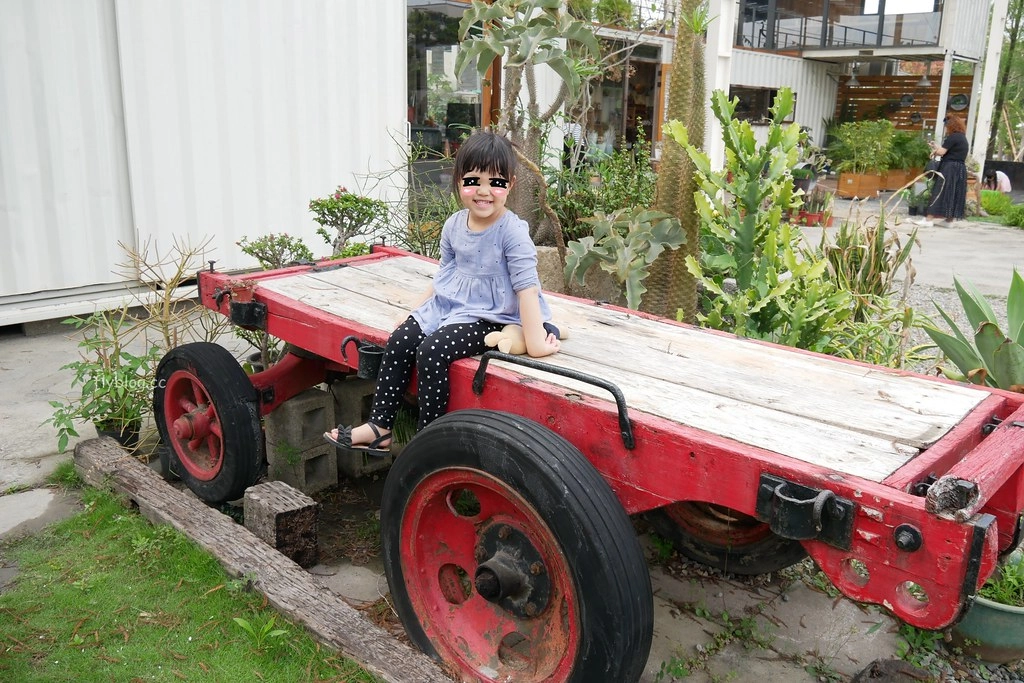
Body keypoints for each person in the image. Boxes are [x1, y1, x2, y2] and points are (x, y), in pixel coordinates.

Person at [324, 130, 561, 455]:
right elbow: (444, 276)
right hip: (450, 305)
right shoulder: (453, 225)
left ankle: (428, 443)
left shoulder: (513, 232)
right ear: (458, 181)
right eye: (473, 180)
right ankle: (379, 428)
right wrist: (414, 311)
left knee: (432, 352)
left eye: (496, 182)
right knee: (400, 340)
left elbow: (526, 289)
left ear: (511, 185)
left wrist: (535, 344)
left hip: (490, 314)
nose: (484, 191)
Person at [918, 115, 970, 227]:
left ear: (951, 126)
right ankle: (949, 221)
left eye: (947, 126)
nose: (946, 128)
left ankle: (928, 220)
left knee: (939, 190)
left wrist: (935, 151)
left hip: (949, 168)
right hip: (960, 168)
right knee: (953, 193)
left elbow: (941, 152)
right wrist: (937, 147)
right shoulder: (962, 137)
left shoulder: (953, 137)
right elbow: (947, 150)